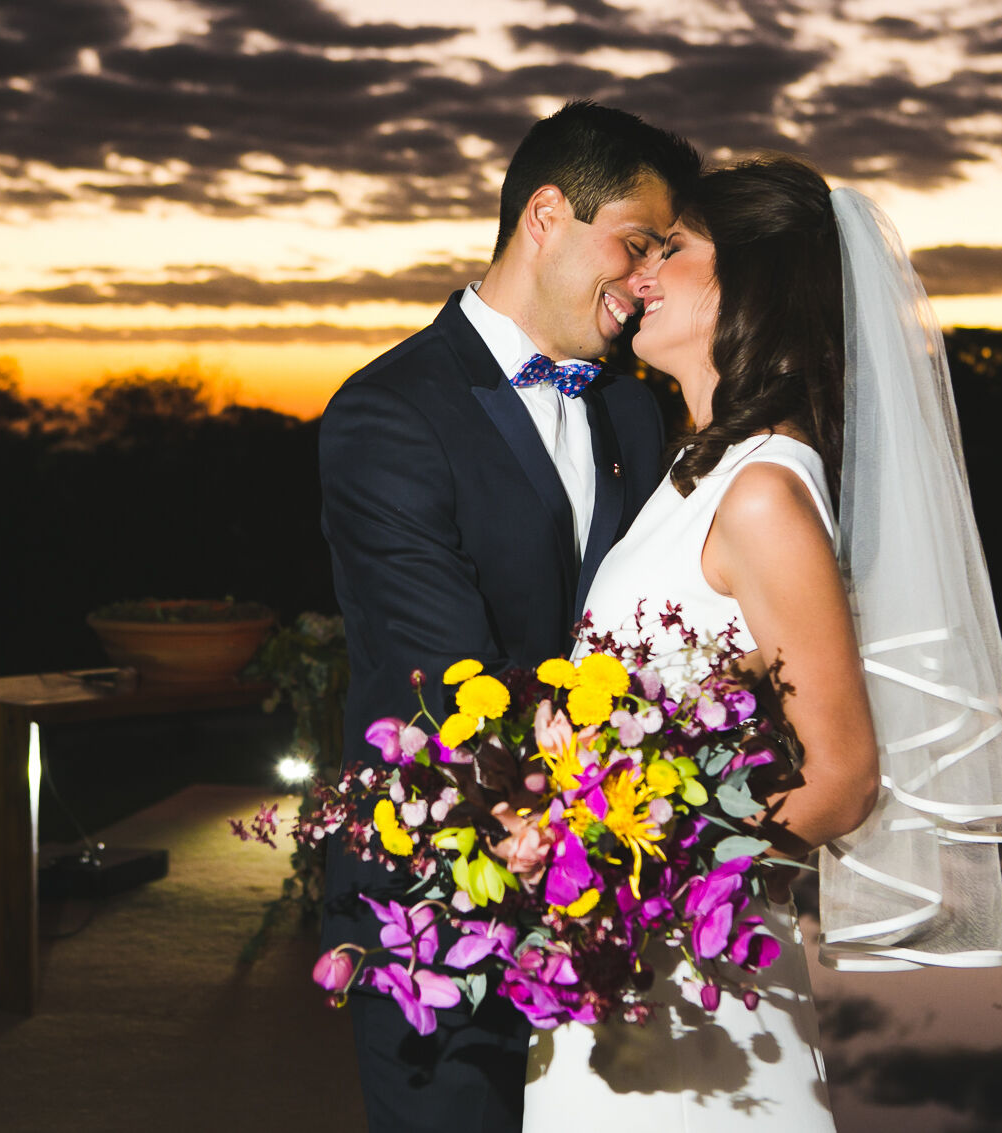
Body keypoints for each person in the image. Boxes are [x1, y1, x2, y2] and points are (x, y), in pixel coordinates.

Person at [523, 154, 1002, 1129]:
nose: (642, 271)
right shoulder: (695, 470)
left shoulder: (763, 489)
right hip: (617, 965)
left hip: (688, 978)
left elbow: (842, 776)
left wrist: (623, 869)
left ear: (749, 282)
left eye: (671, 249)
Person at [318, 101, 702, 1133]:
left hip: (612, 890)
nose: (647, 281)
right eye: (634, 244)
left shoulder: (630, 406)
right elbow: (443, 677)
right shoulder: (387, 412)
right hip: (440, 899)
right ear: (545, 214)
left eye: (663, 256)